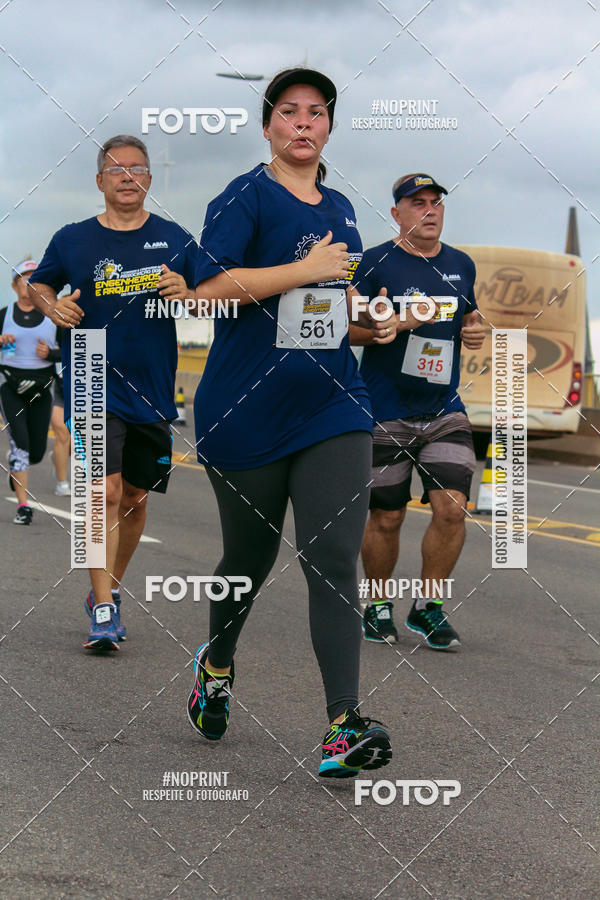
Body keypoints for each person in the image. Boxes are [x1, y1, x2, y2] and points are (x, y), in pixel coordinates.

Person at [186, 68, 432, 779]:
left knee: (331, 558)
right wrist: (304, 270)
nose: (303, 122)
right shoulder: (244, 197)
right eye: (289, 111)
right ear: (268, 125)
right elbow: (206, 293)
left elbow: (322, 315)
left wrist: (368, 326)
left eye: (316, 112)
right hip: (246, 409)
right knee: (247, 563)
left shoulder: (343, 208)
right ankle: (217, 666)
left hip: (333, 404)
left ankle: (342, 726)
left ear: (329, 126)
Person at [29, 135, 197, 651]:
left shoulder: (175, 238)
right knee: (101, 493)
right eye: (117, 169)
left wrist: (188, 292)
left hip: (151, 383)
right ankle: (103, 610)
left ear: (150, 179)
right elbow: (40, 285)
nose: (128, 176)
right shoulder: (72, 239)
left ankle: (110, 590)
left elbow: (209, 291)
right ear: (100, 180)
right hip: (89, 370)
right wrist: (52, 305)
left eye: (137, 169)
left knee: (136, 499)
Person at [349, 173, 486, 650]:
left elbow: (469, 316)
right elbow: (347, 327)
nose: (430, 210)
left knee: (453, 508)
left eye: (436, 202)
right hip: (385, 409)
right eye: (418, 203)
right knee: (386, 517)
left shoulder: (461, 264)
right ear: (397, 213)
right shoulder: (375, 262)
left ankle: (428, 607)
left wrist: (475, 330)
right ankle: (377, 605)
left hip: (444, 410)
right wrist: (392, 322)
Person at [0, 259, 57, 524]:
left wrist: (51, 353)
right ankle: (23, 506)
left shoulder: (53, 316)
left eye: (35, 279)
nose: (30, 284)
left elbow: (73, 350)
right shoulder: (4, 315)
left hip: (42, 389)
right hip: (10, 387)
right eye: (25, 279)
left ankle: (17, 464)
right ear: (14, 285)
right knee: (21, 445)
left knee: (35, 452)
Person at [36, 325, 72, 495]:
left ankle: (58, 457)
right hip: (58, 386)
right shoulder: (55, 324)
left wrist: (51, 353)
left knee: (80, 441)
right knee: (63, 433)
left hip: (85, 388)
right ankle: (62, 484)